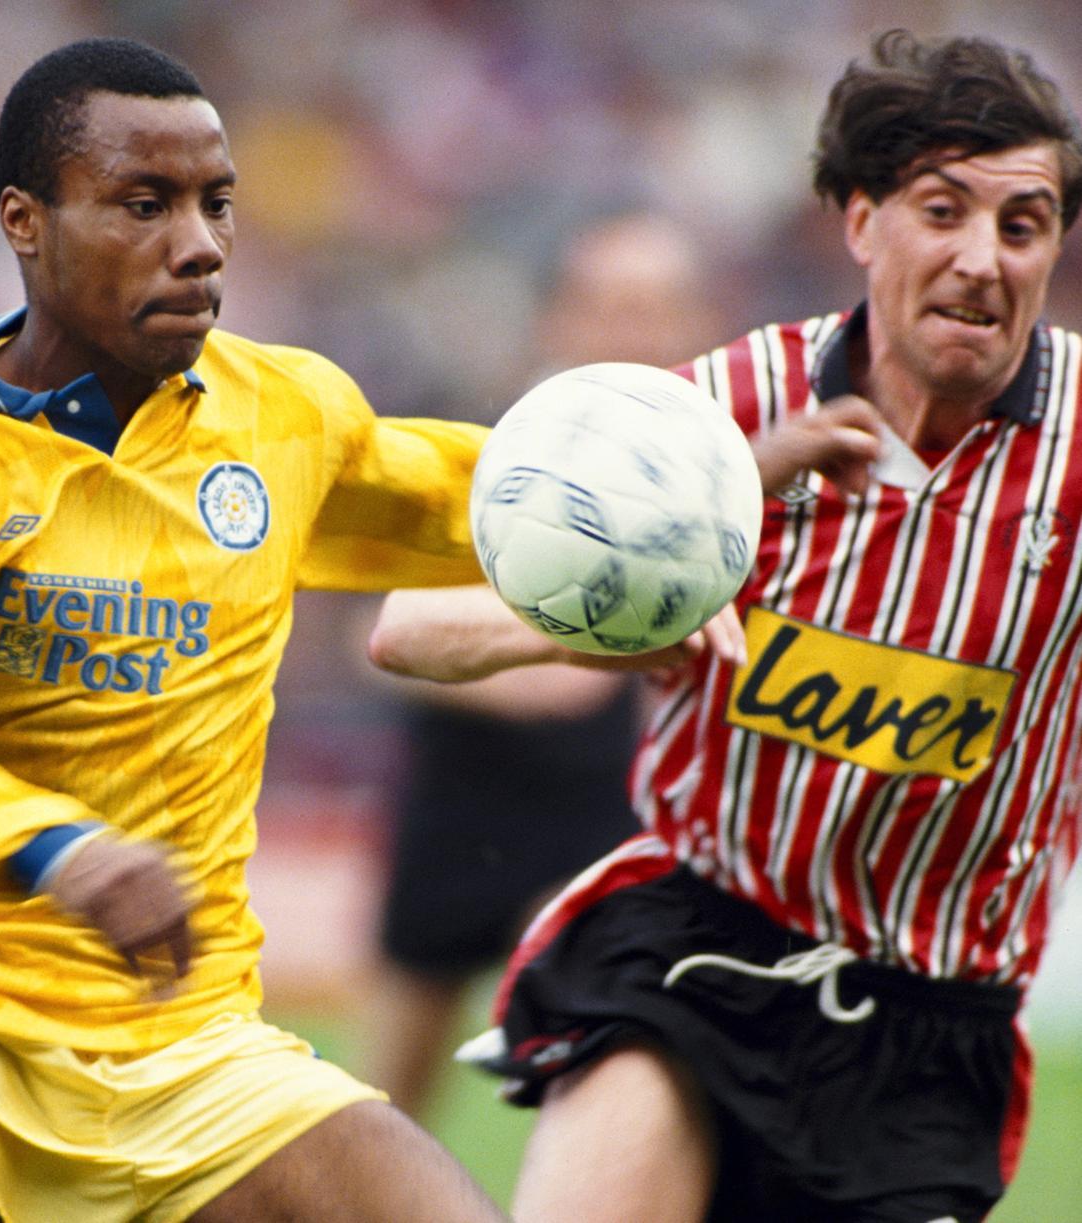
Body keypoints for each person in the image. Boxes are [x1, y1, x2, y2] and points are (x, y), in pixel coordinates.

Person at [0, 35, 514, 1223]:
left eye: (216, 203)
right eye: (144, 204)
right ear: (24, 221)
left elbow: (498, 500)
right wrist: (55, 847)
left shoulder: (283, 416)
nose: (199, 244)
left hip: (185, 1036)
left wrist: (728, 481)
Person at [368, 28, 1082, 1223]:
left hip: (929, 1028)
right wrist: (621, 606)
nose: (981, 258)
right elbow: (408, 629)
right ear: (861, 222)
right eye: (941, 211)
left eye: (1023, 225)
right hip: (694, 949)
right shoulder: (719, 413)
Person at [362, 213, 720, 1120]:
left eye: (656, 309)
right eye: (611, 306)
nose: (634, 333)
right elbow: (372, 640)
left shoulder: (722, 477)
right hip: (460, 801)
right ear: (559, 317)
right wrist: (528, 667)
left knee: (602, 1076)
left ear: (695, 322)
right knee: (386, 1105)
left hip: (604, 810)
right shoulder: (483, 451)